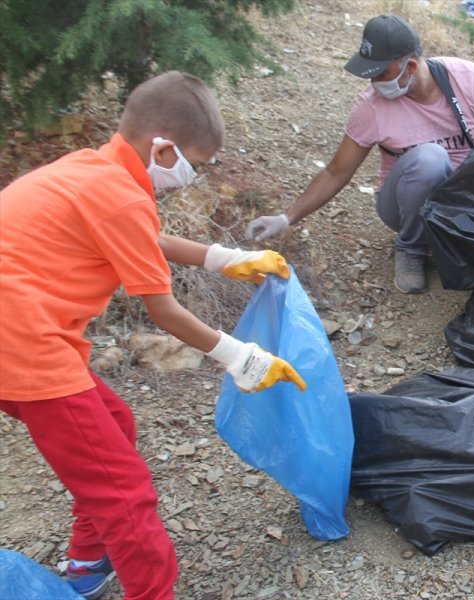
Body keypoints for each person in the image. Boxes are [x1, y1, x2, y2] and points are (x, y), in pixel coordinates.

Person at [0, 71, 307, 600]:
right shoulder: (118, 196)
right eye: (195, 164)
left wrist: (226, 257)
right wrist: (244, 360)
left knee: (114, 423)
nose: (193, 177)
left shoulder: (90, 170)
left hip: (17, 340)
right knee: (123, 492)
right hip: (25, 347)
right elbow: (163, 311)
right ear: (162, 148)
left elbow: (142, 233)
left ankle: (88, 560)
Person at [246, 14, 474, 294]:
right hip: (406, 203)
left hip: (466, 201)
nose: (373, 82)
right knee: (430, 159)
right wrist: (286, 217)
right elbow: (336, 172)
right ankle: (412, 249)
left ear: (409, 66)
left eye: (380, 73)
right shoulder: (371, 107)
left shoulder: (467, 79)